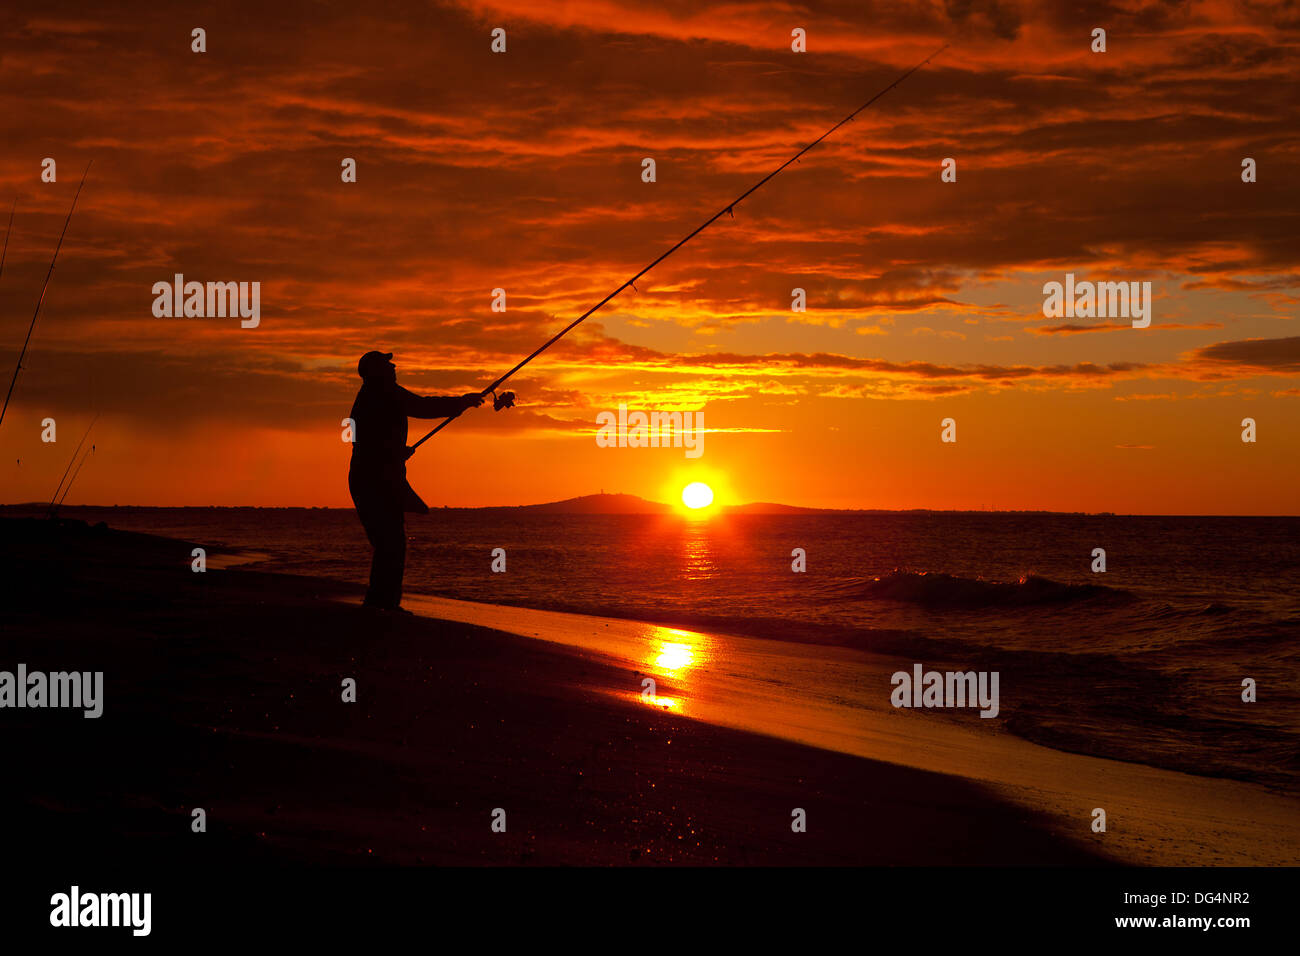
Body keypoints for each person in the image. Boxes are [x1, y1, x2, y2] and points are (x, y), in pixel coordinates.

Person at [348, 351, 483, 611]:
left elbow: (366, 439)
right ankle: (382, 604)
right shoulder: (383, 393)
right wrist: (462, 402)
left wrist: (395, 451)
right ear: (377, 371)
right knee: (391, 543)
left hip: (371, 475)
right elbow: (424, 407)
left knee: (388, 542)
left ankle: (381, 602)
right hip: (376, 478)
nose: (394, 365)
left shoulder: (373, 395)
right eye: (388, 364)